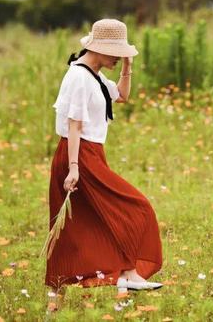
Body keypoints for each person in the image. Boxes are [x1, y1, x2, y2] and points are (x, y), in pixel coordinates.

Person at [44, 19, 163, 313]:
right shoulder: (79, 77)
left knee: (92, 223)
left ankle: (123, 277)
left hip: (91, 154)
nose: (118, 57)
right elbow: (74, 125)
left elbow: (121, 96)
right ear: (98, 48)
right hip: (79, 155)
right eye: (116, 53)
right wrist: (74, 167)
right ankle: (126, 275)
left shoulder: (94, 75)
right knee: (137, 207)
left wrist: (126, 66)